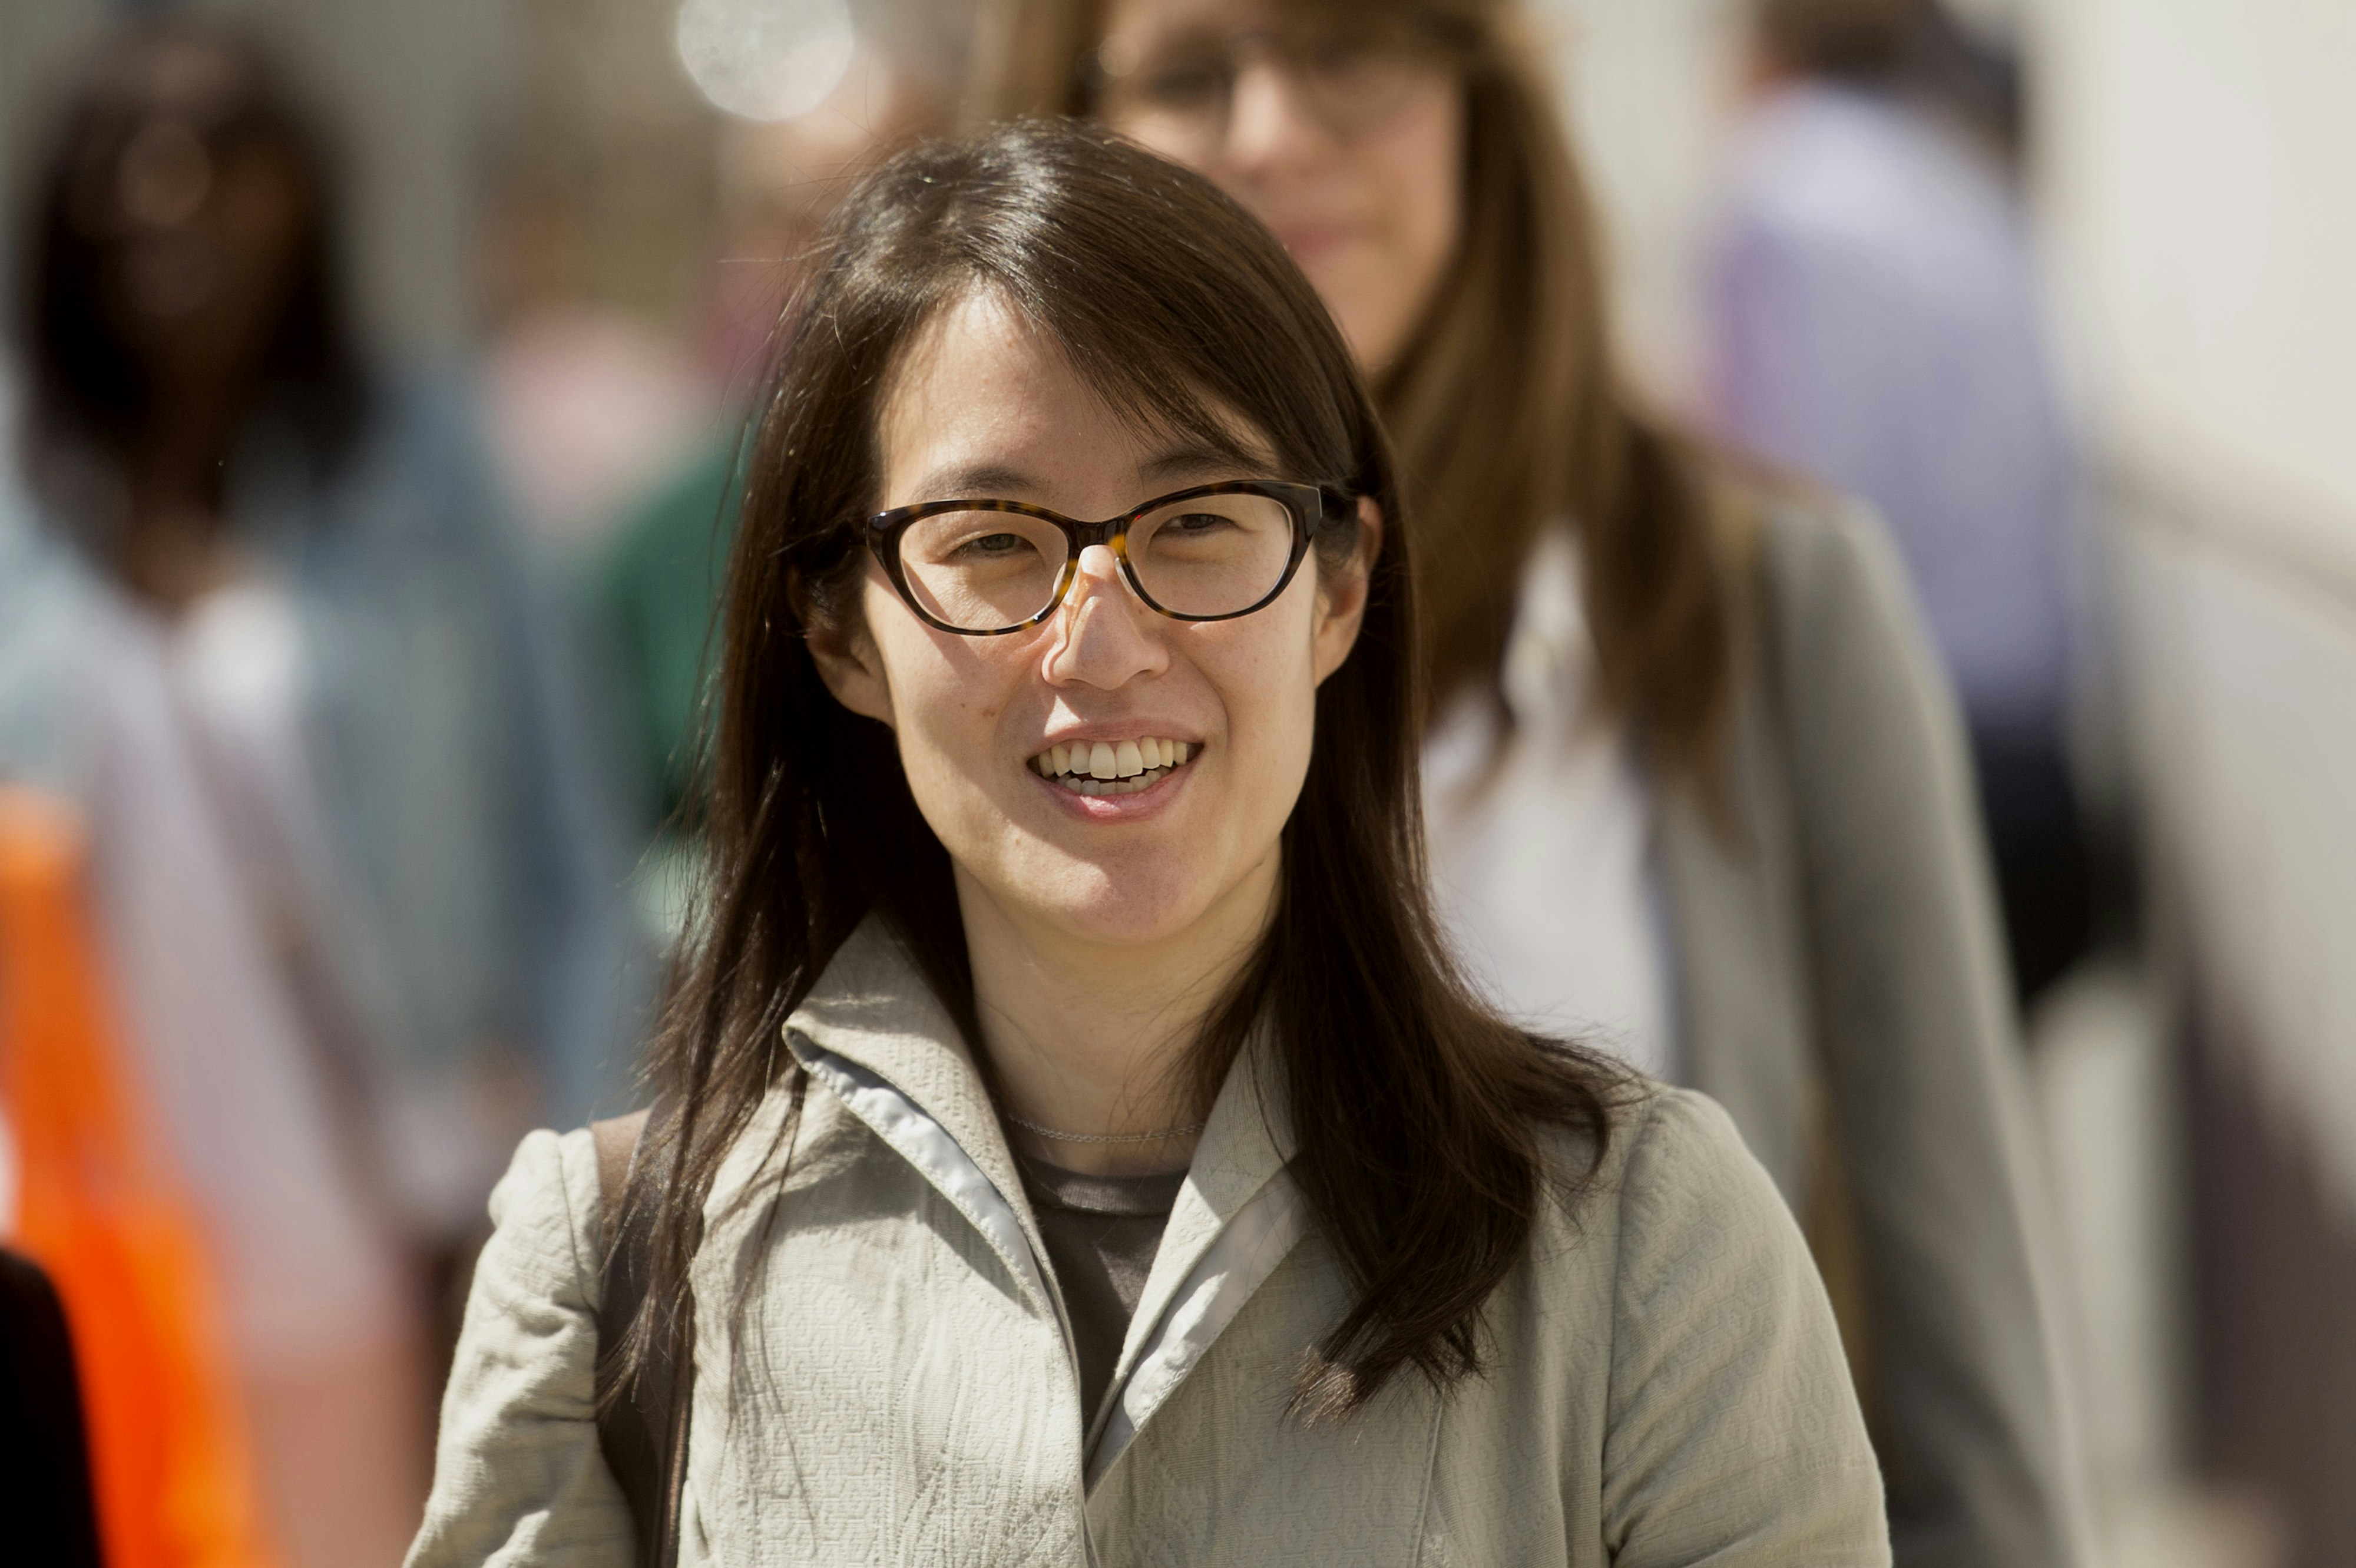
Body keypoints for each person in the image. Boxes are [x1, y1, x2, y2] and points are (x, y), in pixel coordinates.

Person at [408, 121, 1887, 1566]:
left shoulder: (1645, 1247)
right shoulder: (612, 1274)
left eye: (1195, 520)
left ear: (1338, 587)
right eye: (991, 537)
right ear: (836, 630)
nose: (1100, 646)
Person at [971, 2, 2089, 1562]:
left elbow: (1973, 1395)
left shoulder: (1770, 600)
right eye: (1189, 72)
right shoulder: (981, 639)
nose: (1275, 132)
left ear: (1480, 96)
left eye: (1346, 48)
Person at [0, 17, 650, 1564]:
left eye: (224, 155)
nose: (172, 196)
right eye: (127, 160)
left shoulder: (425, 462)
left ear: (303, 194)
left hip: (383, 1236)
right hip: (91, 1260)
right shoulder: (20, 485)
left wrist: (571, 1202)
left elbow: (578, 848)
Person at [1704, 0, 2093, 1007]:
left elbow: (1785, 505)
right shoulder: (1969, 182)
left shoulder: (1774, 194)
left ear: (1762, 45)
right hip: (2034, 758)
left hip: (1886, 755)